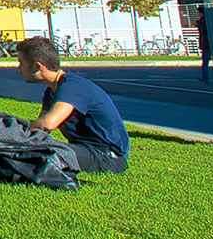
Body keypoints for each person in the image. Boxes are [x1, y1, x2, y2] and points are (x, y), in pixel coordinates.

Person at [17, 36, 129, 173]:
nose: (19, 68)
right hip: (86, 150)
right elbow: (39, 130)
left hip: (107, 157)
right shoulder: (51, 91)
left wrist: (16, 138)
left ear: (37, 67)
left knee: (43, 152)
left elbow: (47, 124)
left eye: (21, 63)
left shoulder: (72, 86)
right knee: (33, 149)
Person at [194, 5, 212, 84]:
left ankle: (205, 77)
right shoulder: (208, 21)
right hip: (208, 43)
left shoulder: (202, 22)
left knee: (205, 61)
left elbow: (203, 33)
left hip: (205, 43)